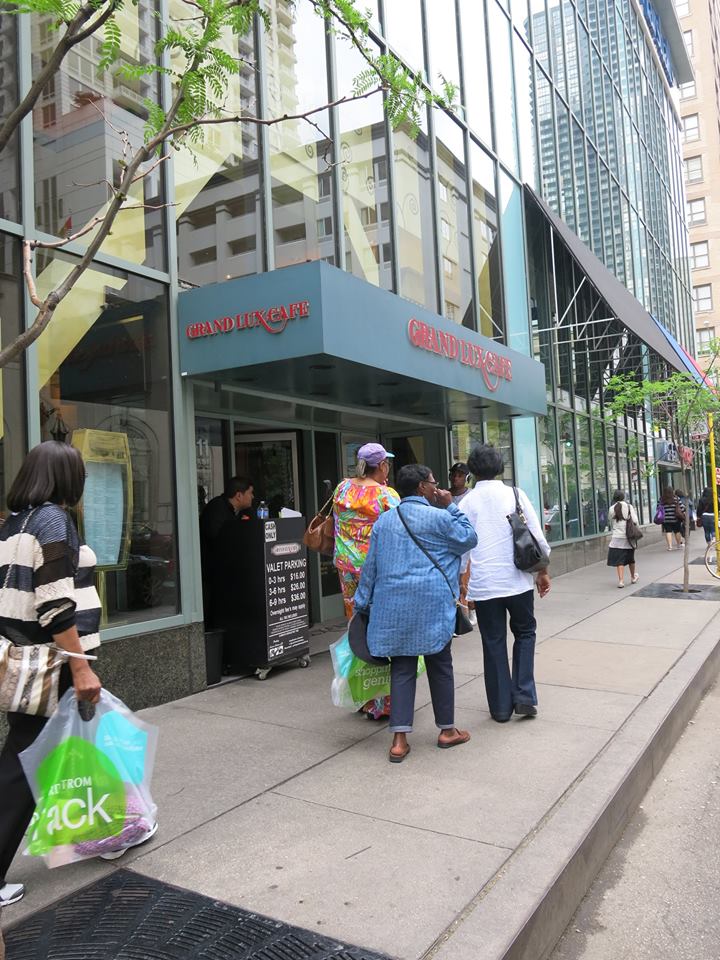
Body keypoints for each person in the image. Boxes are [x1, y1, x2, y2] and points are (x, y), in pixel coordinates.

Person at [0, 442, 104, 908]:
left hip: (27, 659)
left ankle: (111, 826)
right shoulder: (53, 521)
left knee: (75, 746)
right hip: (53, 662)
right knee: (22, 764)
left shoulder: (14, 524)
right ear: (65, 478)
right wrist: (80, 667)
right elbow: (56, 605)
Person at [353, 464, 478, 762]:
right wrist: (451, 506)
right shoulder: (440, 517)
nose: (437, 487)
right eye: (433, 482)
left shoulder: (384, 521)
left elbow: (370, 567)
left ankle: (399, 740)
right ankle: (447, 731)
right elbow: (469, 537)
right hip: (433, 605)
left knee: (402, 667)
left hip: (394, 607)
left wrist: (361, 603)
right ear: (422, 487)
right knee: (440, 664)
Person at [460, 444, 551, 723]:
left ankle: (500, 708)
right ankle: (524, 696)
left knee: (493, 641)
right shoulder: (515, 494)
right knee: (525, 633)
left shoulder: (466, 503)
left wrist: (461, 582)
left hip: (485, 585)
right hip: (517, 581)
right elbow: (536, 536)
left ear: (472, 471)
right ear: (500, 467)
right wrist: (542, 572)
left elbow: (461, 547)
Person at [332, 443, 399, 719]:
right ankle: (383, 702)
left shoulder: (342, 489)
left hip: (347, 570)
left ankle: (361, 696)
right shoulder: (386, 495)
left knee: (356, 630)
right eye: (387, 463)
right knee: (381, 631)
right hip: (377, 571)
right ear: (381, 465)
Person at [199, 476, 254, 624]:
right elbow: (217, 537)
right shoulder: (216, 508)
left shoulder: (242, 511)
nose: (253, 497)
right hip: (212, 571)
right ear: (239, 495)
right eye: (250, 493)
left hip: (227, 570)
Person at [607, 490, 640, 588]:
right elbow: (635, 520)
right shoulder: (629, 506)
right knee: (631, 559)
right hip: (628, 536)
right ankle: (633, 577)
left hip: (617, 537)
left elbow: (610, 520)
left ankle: (621, 581)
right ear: (623, 497)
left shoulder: (612, 508)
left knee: (619, 560)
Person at [659, 486, 684, 550]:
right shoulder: (676, 498)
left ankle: (670, 546)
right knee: (677, 531)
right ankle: (678, 545)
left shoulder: (661, 499)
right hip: (676, 518)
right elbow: (681, 507)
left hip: (666, 519)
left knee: (668, 531)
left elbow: (658, 508)